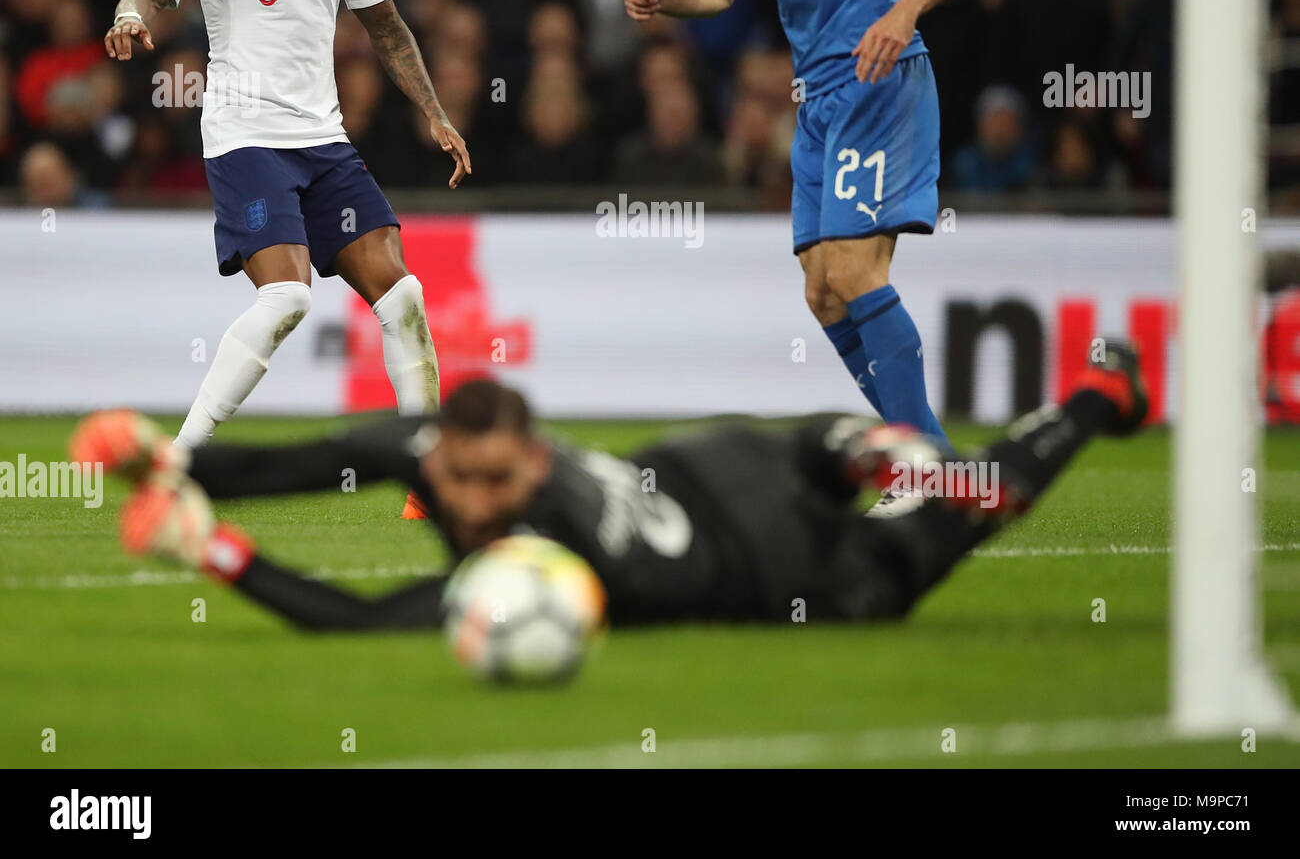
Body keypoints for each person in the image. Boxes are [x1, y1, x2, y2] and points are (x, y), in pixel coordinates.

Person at [70, 342, 1148, 629]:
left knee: (963, 501)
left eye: (497, 482)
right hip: (732, 475)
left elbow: (363, 623)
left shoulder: (540, 557)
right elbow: (288, 465)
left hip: (816, 570)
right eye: (461, 478)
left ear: (534, 464)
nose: (476, 501)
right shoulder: (426, 444)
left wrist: (211, 551)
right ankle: (1100, 394)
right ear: (432, 454)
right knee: (955, 487)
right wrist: (162, 454)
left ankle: (916, 454)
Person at [624, 0, 988, 471]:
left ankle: (927, 463)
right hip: (816, 101)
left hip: (882, 85)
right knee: (824, 295)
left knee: (855, 274)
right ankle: (929, 456)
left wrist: (903, 10)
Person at [103, 0, 470, 521]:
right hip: (246, 134)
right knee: (290, 296)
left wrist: (434, 113)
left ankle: (426, 471)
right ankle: (179, 462)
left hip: (324, 142)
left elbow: (389, 31)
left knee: (403, 297)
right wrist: (126, 18)